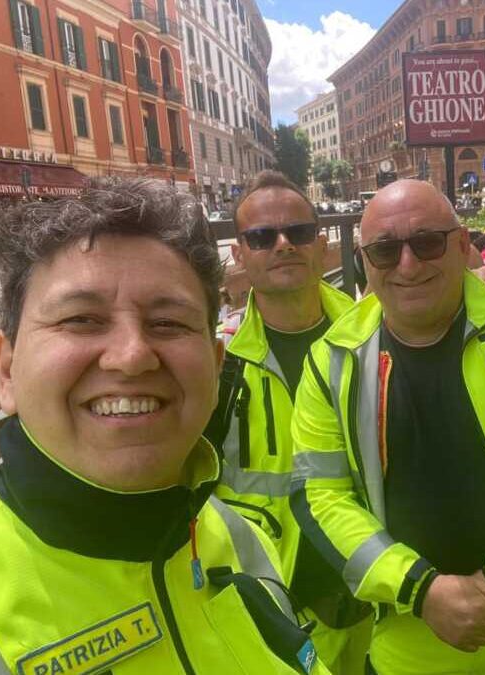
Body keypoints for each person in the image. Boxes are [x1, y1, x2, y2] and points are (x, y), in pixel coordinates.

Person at [0, 178, 331, 674]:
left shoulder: (243, 541)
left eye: (168, 323)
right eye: (81, 319)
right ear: (6, 370)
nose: (132, 357)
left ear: (215, 369)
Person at [290, 179, 485, 675]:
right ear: (363, 261)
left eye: (427, 242)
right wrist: (421, 590)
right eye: (384, 250)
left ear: (463, 244)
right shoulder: (331, 361)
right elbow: (320, 496)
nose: (408, 264)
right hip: (407, 647)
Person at [206, 171, 372, 674]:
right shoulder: (218, 360)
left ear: (321, 245)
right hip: (273, 609)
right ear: (240, 253)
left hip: (379, 591)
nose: (283, 245)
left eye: (298, 233)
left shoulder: (375, 335)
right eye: (262, 237)